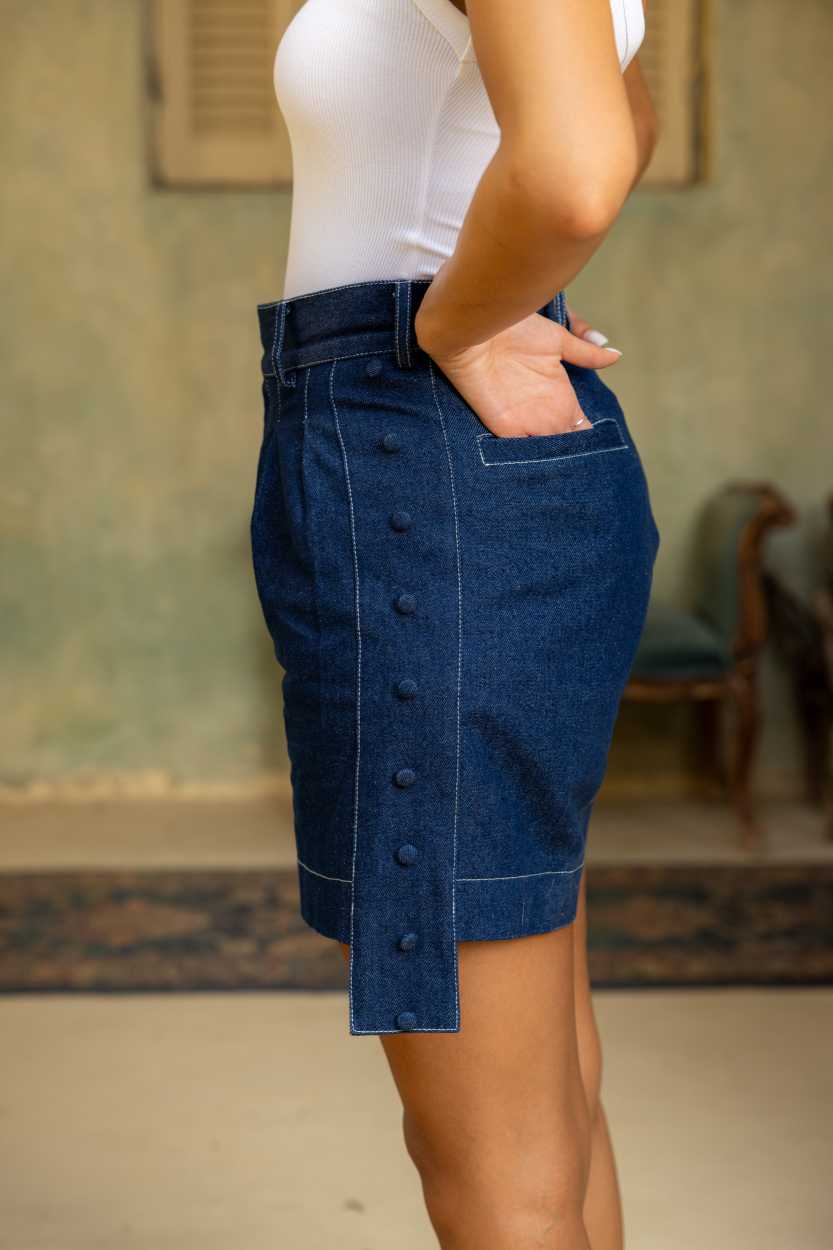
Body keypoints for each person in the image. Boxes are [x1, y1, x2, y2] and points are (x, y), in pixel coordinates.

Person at [249, 2, 661, 1247]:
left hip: (415, 455)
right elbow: (618, 105)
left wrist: (448, 319)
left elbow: (578, 166)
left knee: (494, 1159)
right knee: (545, 1106)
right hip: (442, 464)